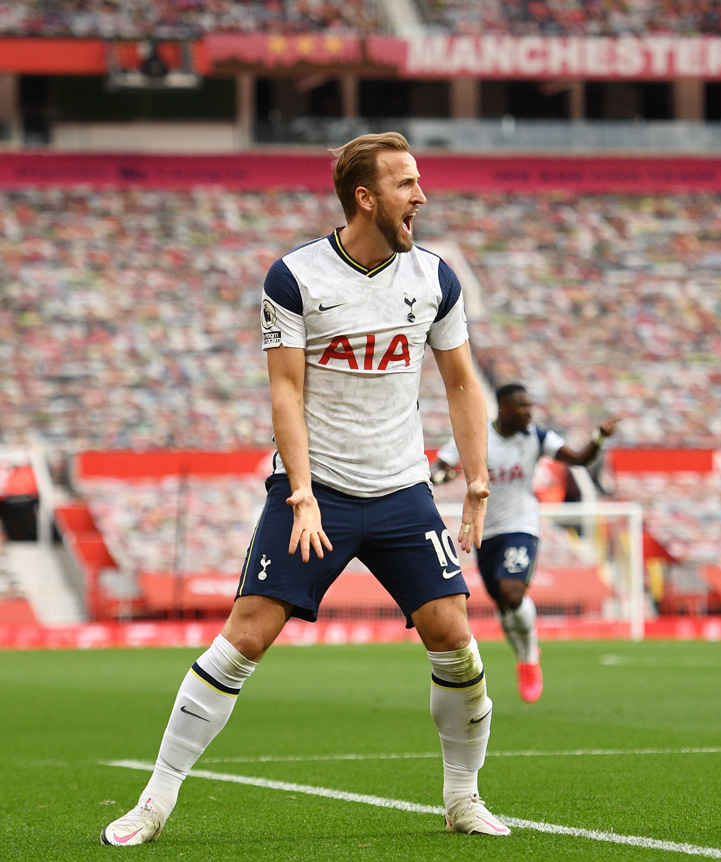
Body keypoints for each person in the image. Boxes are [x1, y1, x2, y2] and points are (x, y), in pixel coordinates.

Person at [102, 132, 511, 845]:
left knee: (455, 639)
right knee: (246, 637)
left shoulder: (435, 278)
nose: (421, 196)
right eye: (406, 184)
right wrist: (300, 490)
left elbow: (460, 384)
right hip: (314, 490)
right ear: (366, 197)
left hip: (401, 490)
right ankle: (154, 803)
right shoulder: (294, 277)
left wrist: (476, 481)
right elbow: (285, 393)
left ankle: (463, 799)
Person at [432, 383, 620, 703]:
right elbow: (440, 468)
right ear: (503, 409)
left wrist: (599, 437)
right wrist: (442, 477)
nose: (529, 411)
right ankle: (522, 656)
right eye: (521, 406)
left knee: (512, 591)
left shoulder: (537, 437)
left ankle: (530, 655)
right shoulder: (477, 435)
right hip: (485, 530)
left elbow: (577, 458)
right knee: (505, 607)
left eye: (529, 405)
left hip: (521, 525)